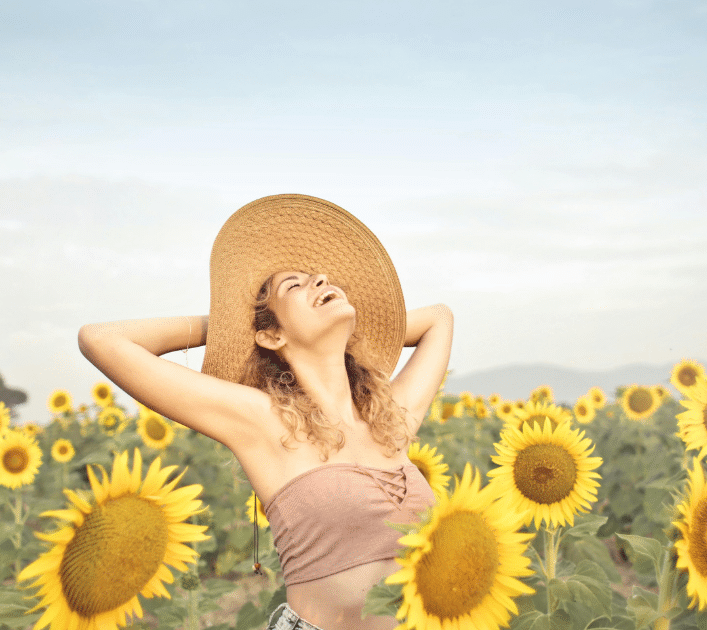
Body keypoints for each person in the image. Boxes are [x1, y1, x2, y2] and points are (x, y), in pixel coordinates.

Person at [77, 194, 453, 630]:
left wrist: (353, 329)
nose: (320, 281)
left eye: (321, 280)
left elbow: (440, 319)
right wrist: (223, 326)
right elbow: (100, 340)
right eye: (295, 285)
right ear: (271, 335)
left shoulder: (390, 421)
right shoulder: (263, 421)